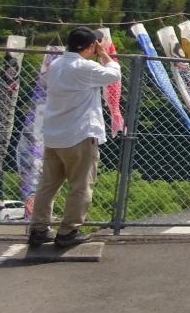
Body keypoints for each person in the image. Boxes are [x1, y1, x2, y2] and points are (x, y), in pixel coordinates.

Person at [29, 26, 121, 247]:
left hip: (53, 135)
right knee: (80, 185)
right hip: (79, 135)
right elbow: (114, 74)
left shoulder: (55, 65)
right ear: (90, 46)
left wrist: (95, 52)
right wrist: (105, 54)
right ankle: (68, 231)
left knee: (48, 185)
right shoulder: (85, 67)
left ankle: (39, 229)